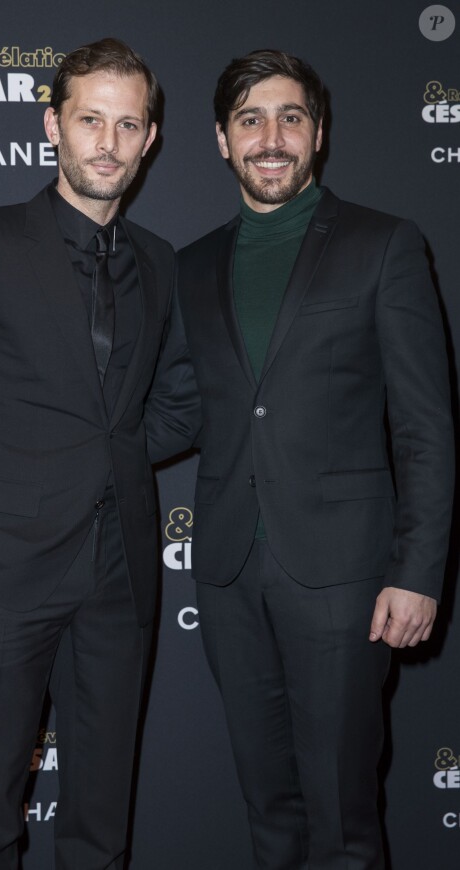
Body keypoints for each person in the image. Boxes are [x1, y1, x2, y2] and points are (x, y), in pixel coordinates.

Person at [0, 38, 198, 870]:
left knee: (101, 822)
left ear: (151, 138)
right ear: (52, 125)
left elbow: (175, 402)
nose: (108, 141)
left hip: (122, 570)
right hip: (3, 569)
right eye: (90, 119)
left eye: (127, 124)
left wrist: (117, 458)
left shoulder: (161, 264)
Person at [177, 49, 454, 869]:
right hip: (228, 575)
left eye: (290, 118)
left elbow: (426, 425)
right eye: (250, 120)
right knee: (270, 811)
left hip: (347, 580)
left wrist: (419, 571)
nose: (271, 137)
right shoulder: (191, 266)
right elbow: (182, 411)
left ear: (319, 134)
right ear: (222, 141)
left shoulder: (385, 245)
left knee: (342, 818)